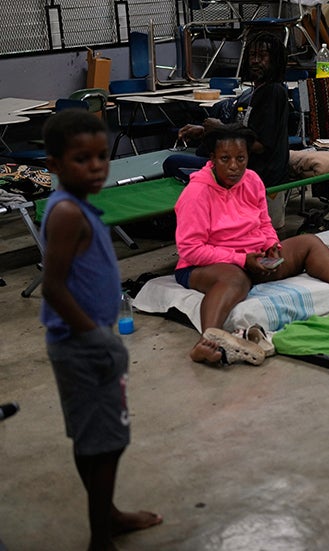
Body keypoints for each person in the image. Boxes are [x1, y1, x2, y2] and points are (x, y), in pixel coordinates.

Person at [39, 110, 162, 550]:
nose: (95, 167)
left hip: (80, 341)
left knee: (92, 437)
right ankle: (101, 535)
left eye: (99, 157)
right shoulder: (68, 213)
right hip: (83, 345)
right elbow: (52, 286)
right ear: (53, 165)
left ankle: (105, 514)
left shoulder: (77, 206)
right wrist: (96, 337)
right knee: (106, 442)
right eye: (80, 159)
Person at [174, 124, 329, 366]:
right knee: (235, 278)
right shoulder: (196, 193)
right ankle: (207, 342)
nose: (234, 166)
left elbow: (264, 223)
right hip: (203, 266)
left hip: (251, 258)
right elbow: (190, 250)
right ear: (212, 159)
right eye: (225, 159)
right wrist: (240, 259)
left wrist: (271, 244)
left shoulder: (252, 180)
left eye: (241, 158)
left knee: (309, 243)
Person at [164, 32, 291, 226]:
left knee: (173, 163)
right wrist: (203, 130)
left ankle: (195, 219)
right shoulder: (255, 92)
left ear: (275, 60)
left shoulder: (273, 92)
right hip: (242, 164)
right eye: (252, 55)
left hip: (259, 172)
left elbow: (260, 145)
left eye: (262, 56)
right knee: (200, 151)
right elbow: (243, 129)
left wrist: (221, 128)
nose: (255, 61)